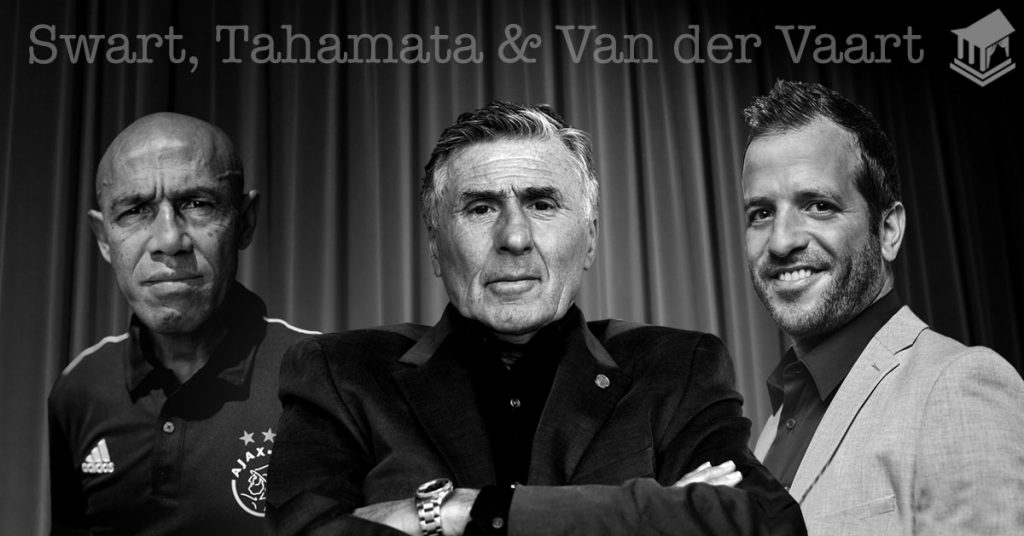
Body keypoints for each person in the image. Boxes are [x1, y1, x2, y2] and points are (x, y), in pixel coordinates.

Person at [267, 101, 804, 536]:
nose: (515, 237)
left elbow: (764, 522)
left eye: (542, 204)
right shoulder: (340, 373)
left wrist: (460, 513)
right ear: (435, 246)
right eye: (480, 208)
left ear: (589, 237)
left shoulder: (675, 367)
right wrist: (651, 515)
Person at [742, 80, 1024, 535]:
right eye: (761, 213)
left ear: (888, 230)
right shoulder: (771, 430)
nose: (781, 241)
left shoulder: (958, 385)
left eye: (818, 205)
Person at [48, 112, 318, 535]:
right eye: (135, 210)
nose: (168, 240)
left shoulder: (319, 375)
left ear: (245, 221)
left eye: (196, 204)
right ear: (103, 238)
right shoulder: (78, 390)